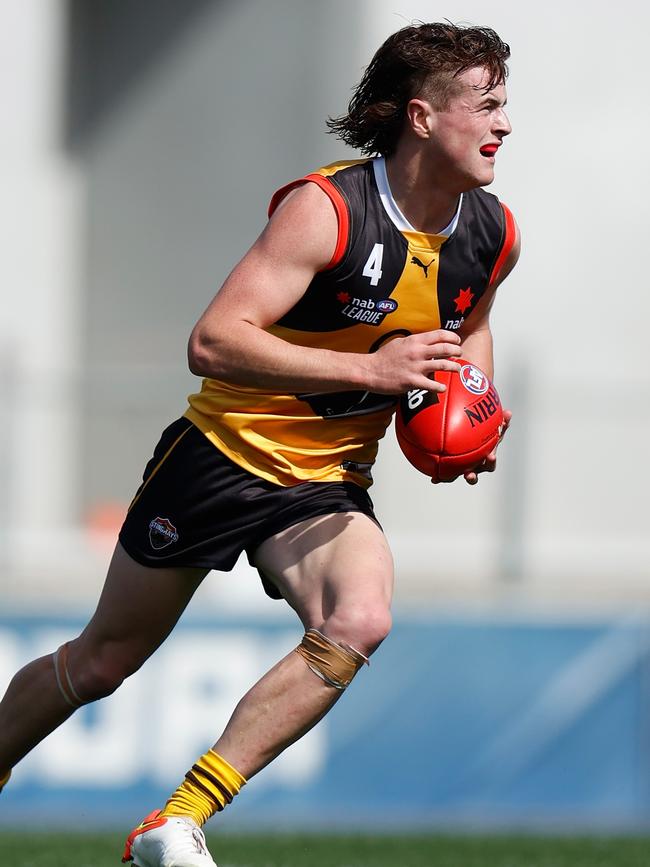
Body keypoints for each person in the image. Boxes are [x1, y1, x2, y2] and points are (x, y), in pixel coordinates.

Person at [0, 21, 519, 867]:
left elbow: (473, 322)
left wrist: (472, 405)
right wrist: (380, 371)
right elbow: (212, 341)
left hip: (325, 485)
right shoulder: (330, 210)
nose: (504, 124)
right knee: (103, 661)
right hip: (220, 455)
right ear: (423, 117)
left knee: (361, 615)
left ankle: (175, 821)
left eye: (506, 106)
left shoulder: (493, 232)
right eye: (487, 105)